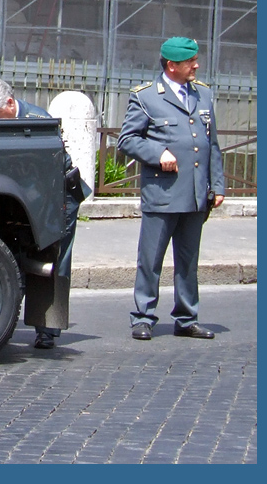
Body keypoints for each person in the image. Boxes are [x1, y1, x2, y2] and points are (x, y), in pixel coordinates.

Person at [118, 37, 224, 341]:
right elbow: (127, 139)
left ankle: (187, 317)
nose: (196, 65)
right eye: (190, 62)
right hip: (162, 195)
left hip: (194, 195)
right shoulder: (147, 97)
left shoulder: (203, 95)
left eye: (195, 60)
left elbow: (211, 144)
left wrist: (217, 185)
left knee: (188, 261)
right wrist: (157, 153)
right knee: (150, 260)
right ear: (171, 65)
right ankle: (143, 316)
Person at [0, 78, 84, 350]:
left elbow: (45, 173)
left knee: (53, 258)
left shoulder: (38, 121)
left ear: (10, 104)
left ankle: (48, 329)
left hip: (57, 195)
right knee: (18, 259)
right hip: (23, 197)